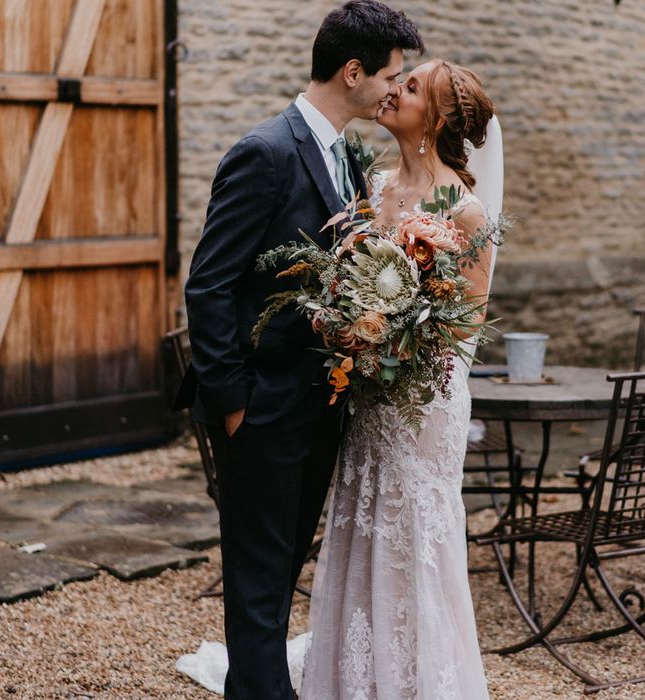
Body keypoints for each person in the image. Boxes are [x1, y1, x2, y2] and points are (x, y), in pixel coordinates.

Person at [176, 3, 424, 698]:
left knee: (279, 575)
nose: (392, 91)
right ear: (354, 72)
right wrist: (232, 406)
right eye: (390, 77)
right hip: (260, 410)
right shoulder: (266, 151)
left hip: (320, 407)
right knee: (257, 584)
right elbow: (210, 285)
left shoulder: (345, 154)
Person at [299, 59, 497, 699]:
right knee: (362, 521)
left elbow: (464, 327)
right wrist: (349, 325)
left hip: (423, 403)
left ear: (434, 119)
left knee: (414, 534)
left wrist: (392, 333)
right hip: (370, 397)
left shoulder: (465, 213)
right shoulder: (376, 188)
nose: (393, 90)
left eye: (409, 87)